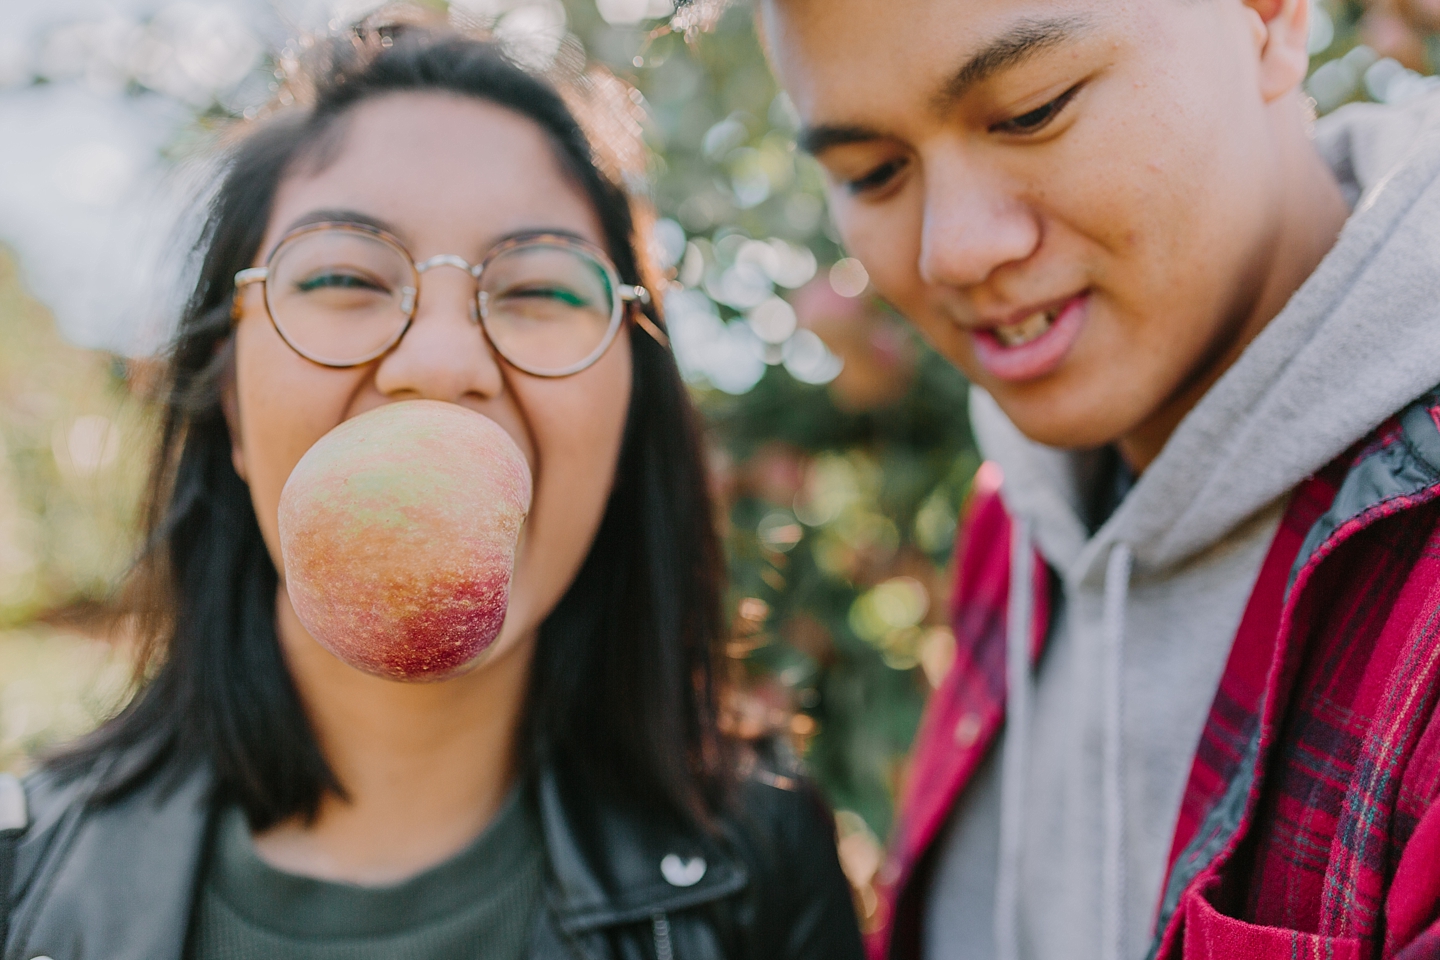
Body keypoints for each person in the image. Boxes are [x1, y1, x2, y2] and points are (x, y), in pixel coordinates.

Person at [0, 15, 865, 960]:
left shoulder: (763, 877)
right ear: (233, 407)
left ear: (629, 419)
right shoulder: (21, 885)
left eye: (538, 290)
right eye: (341, 275)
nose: (444, 361)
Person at [748, 0, 1440, 958]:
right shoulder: (1023, 516)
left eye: (1033, 110)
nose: (951, 250)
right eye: (873, 173)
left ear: (1271, 20)